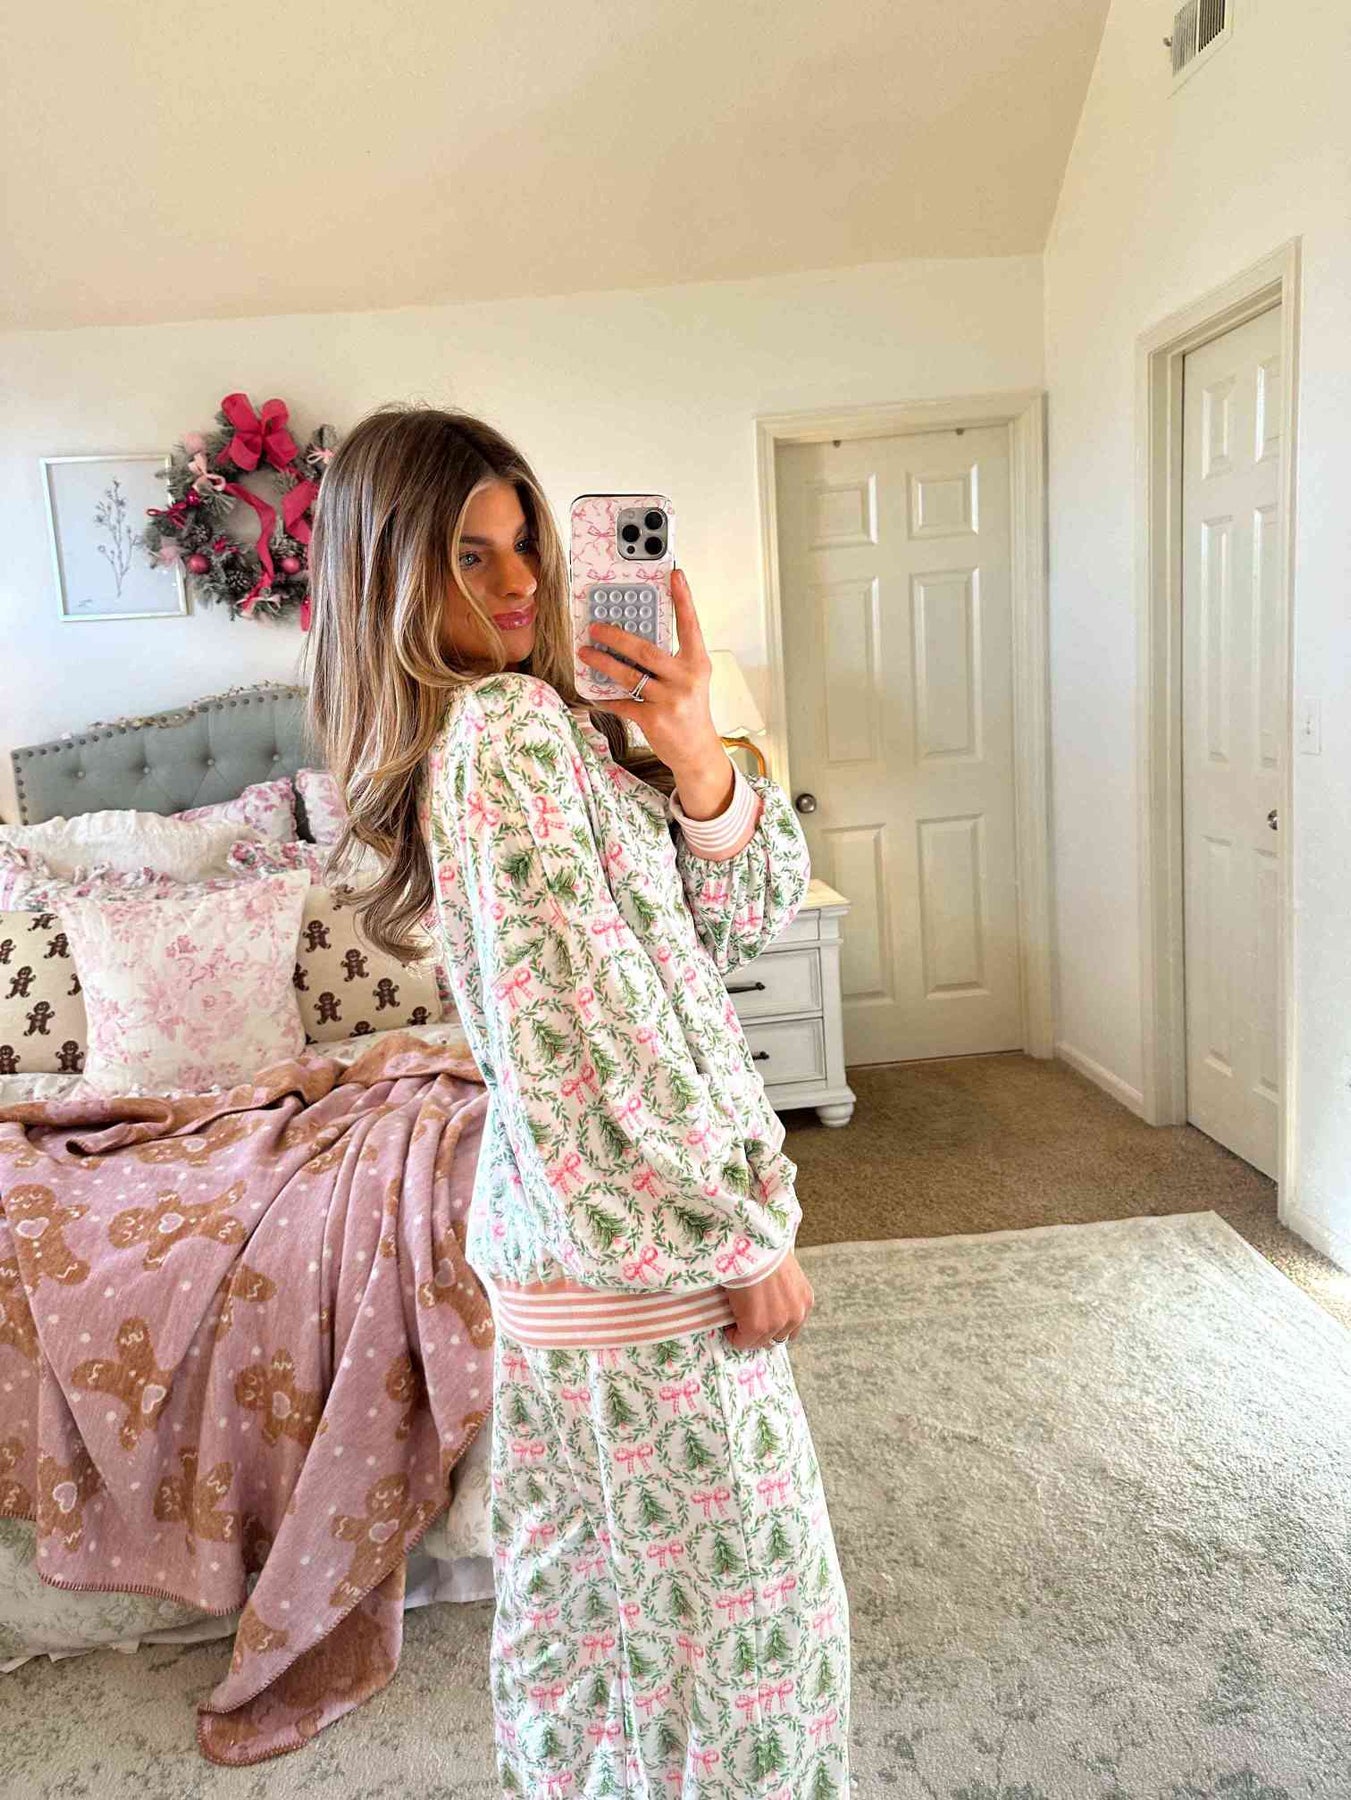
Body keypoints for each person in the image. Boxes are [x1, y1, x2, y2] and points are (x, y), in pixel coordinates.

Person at [305, 404, 851, 1798]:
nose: (518, 583)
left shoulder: (545, 730)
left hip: (589, 1255)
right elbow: (592, 1032)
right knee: (748, 1663)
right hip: (644, 1267)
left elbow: (724, 927)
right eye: (466, 555)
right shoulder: (507, 736)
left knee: (607, 1638)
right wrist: (740, 1233)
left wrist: (695, 747)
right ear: (388, 579)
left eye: (525, 545)